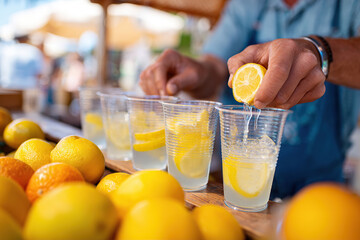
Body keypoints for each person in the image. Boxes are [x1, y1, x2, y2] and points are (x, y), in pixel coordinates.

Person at [139, 0, 360, 198]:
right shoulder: (247, 4)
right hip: (234, 188)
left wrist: (319, 51)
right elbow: (215, 68)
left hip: (321, 191)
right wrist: (197, 72)